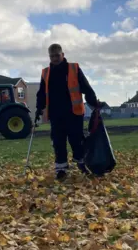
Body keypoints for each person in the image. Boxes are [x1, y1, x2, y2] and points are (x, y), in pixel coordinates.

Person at [35, 43, 100, 181]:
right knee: (58, 142)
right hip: (55, 114)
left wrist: (94, 103)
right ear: (49, 57)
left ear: (62, 55)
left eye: (57, 55)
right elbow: (41, 92)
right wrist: (39, 108)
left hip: (73, 113)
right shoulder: (46, 73)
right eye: (52, 56)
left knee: (77, 140)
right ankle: (61, 169)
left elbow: (86, 87)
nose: (55, 58)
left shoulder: (73, 68)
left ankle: (82, 163)